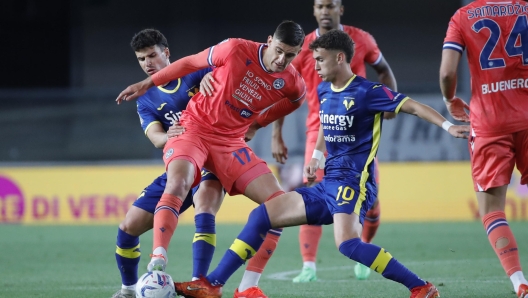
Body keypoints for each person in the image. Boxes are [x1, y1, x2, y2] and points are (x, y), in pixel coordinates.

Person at [176, 29, 470, 298]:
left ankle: (421, 287)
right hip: (328, 181)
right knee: (262, 216)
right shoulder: (324, 91)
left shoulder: (368, 92)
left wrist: (447, 127)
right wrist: (316, 158)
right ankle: (213, 285)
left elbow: (415, 107)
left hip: (353, 183)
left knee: (348, 245)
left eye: (319, 59)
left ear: (339, 58)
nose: (314, 66)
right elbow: (323, 129)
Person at [116, 21, 307, 298]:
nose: (281, 60)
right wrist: (147, 83)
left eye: (290, 55)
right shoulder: (235, 48)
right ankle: (158, 258)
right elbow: (191, 62)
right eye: (279, 51)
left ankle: (245, 287)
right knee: (178, 183)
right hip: (193, 128)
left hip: (229, 143)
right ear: (269, 40)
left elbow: (295, 100)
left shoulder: (291, 81)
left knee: (280, 208)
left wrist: (258, 124)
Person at [271, 0, 397, 282]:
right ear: (314, 11)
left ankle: (362, 251)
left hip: (356, 134)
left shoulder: (361, 39)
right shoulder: (303, 47)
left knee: (370, 202)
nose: (325, 11)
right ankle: (308, 266)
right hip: (319, 131)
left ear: (341, 9)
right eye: (319, 6)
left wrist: (387, 102)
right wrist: (276, 132)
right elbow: (285, 89)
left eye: (330, 5)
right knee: (312, 193)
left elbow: (384, 70)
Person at [112, 29, 225, 298]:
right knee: (128, 228)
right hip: (179, 166)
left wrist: (217, 75)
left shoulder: (195, 70)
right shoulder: (146, 98)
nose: (147, 63)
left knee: (205, 211)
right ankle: (128, 290)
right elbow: (154, 137)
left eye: (152, 55)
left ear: (166, 52)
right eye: (141, 59)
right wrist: (167, 135)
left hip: (212, 162)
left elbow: (226, 65)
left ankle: (199, 283)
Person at [439, 1, 528, 297]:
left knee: (492, 211)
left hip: (489, 123)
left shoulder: (463, 16)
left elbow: (447, 73)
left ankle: (520, 283)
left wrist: (450, 99)